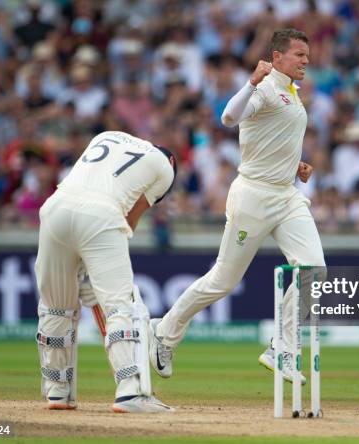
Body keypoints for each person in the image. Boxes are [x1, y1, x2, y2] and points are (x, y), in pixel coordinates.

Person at [149, 29, 326, 384]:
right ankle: (164, 334)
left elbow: (268, 141)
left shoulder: (291, 92)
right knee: (222, 281)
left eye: (307, 55)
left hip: (286, 195)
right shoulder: (263, 88)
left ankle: (282, 348)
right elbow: (228, 118)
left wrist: (295, 165)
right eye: (298, 55)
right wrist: (250, 81)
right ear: (277, 58)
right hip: (253, 197)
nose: (306, 61)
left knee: (314, 270)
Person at [34, 130, 177, 413]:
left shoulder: (108, 136)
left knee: (56, 307)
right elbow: (130, 218)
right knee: (120, 306)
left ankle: (57, 391)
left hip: (55, 209)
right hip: (101, 216)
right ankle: (130, 391)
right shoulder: (166, 170)